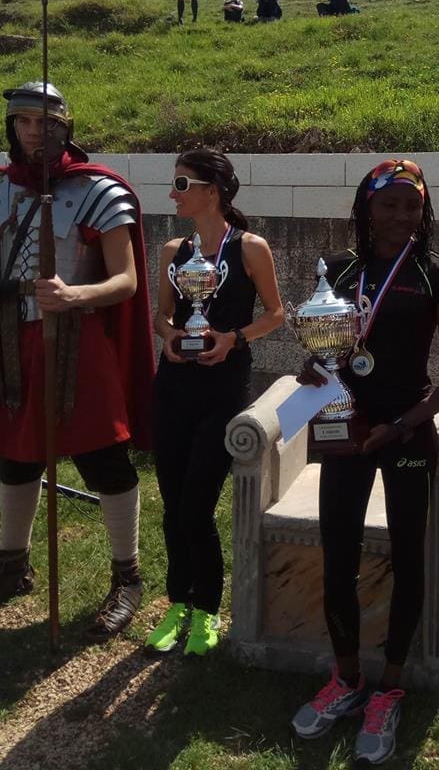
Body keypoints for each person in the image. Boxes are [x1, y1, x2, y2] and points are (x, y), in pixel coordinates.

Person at [290, 159, 439, 764]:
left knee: (408, 555)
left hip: (403, 433)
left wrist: (403, 425)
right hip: (345, 428)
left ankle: (389, 687)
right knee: (337, 552)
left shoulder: (436, 274)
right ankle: (346, 677)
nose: (402, 215)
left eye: (412, 205)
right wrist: (314, 367)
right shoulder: (338, 270)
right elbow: (331, 352)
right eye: (389, 203)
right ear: (366, 207)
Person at [0, 81, 155, 640]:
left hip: (77, 343)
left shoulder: (98, 191)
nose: (34, 132)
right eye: (23, 122)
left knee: (103, 460)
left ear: (65, 128)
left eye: (45, 123)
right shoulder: (2, 186)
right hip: (12, 341)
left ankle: (127, 578)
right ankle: (11, 564)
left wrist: (73, 295)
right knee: (14, 458)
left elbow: (126, 280)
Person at [146, 148, 284, 657]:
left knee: (197, 506)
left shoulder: (250, 247)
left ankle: (206, 608)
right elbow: (162, 315)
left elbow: (275, 313)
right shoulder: (173, 250)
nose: (173, 194)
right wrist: (168, 336)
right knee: (171, 504)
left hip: (222, 388)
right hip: (174, 386)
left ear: (213, 191)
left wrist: (233, 338)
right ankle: (177, 602)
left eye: (182, 184)